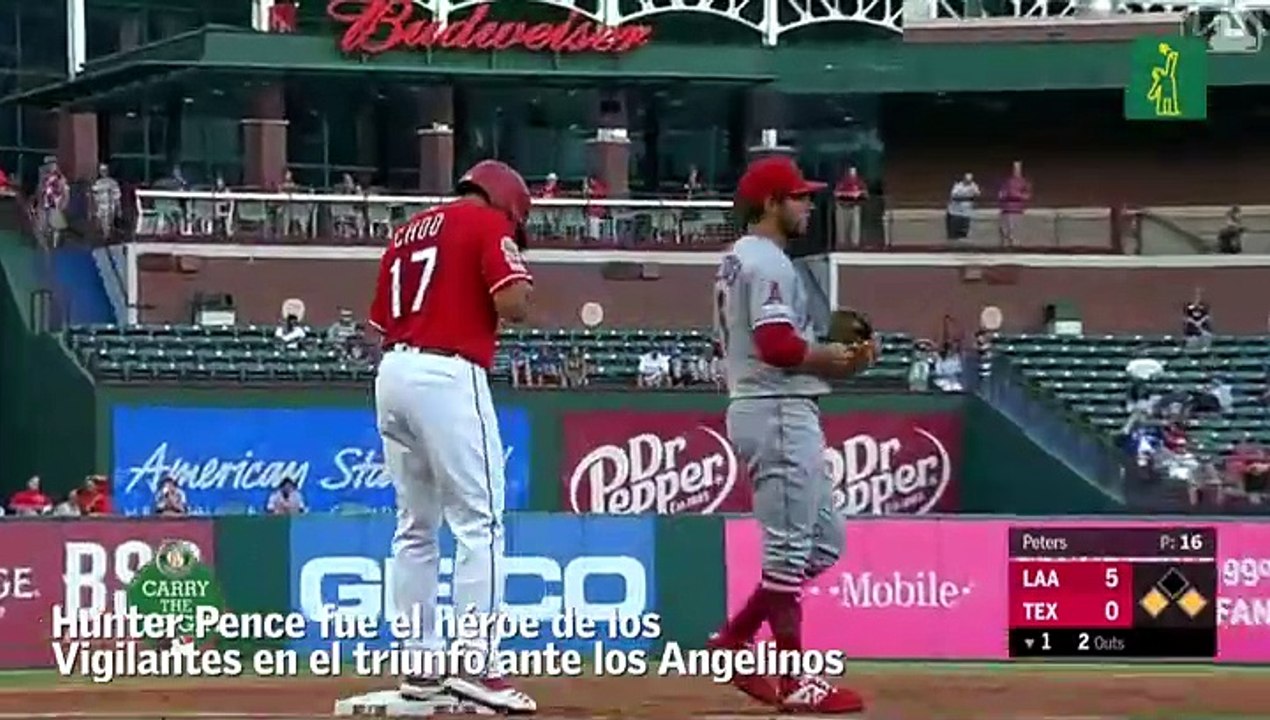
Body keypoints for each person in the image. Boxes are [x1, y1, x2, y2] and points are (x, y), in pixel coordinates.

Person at [369, 159, 536, 713]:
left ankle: (419, 665)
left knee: (415, 529)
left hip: (392, 369)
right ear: (504, 203)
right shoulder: (487, 224)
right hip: (447, 369)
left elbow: (377, 327)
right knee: (479, 522)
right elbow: (512, 303)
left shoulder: (405, 231)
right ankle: (478, 664)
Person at [708, 155, 874, 714]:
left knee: (824, 544)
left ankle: (732, 642)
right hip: (774, 407)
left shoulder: (741, 259)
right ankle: (795, 679)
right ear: (772, 203)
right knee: (788, 551)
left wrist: (832, 359)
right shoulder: (768, 262)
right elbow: (777, 346)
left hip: (775, 405)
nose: (807, 204)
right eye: (798, 196)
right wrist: (837, 359)